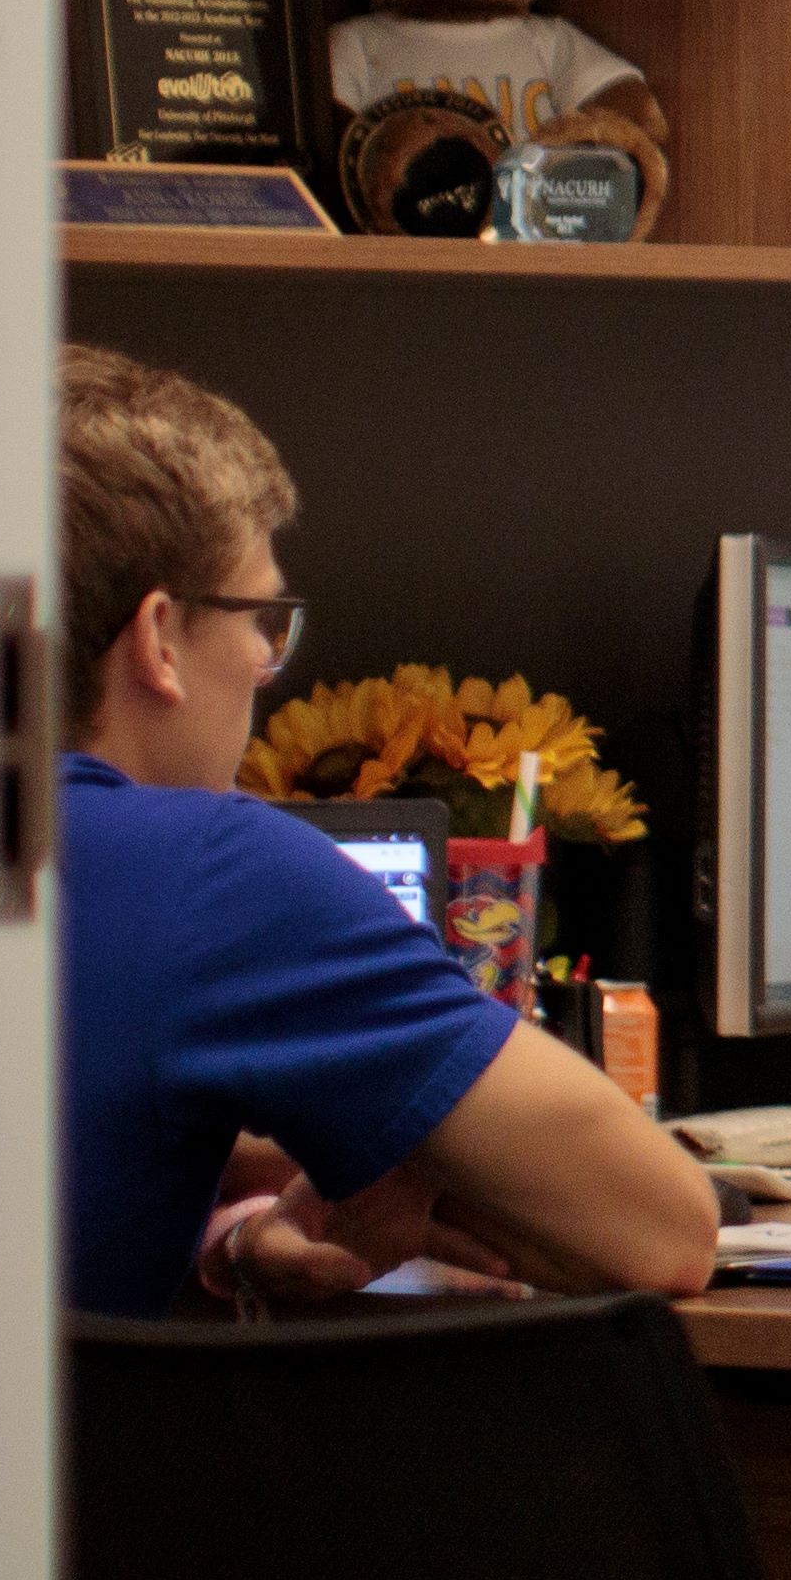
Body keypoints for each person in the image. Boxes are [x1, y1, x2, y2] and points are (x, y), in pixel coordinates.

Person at [52, 346, 719, 1315]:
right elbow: (665, 1227)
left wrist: (226, 1221)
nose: (266, 664)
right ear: (159, 638)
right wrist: (413, 1151)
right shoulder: (212, 871)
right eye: (261, 621)